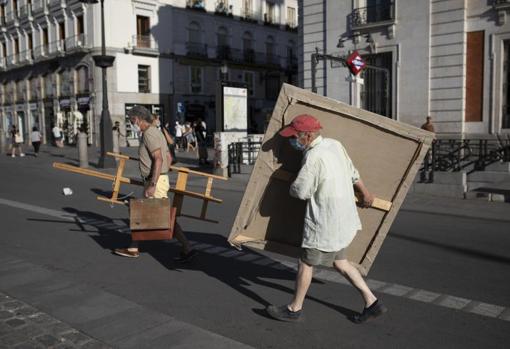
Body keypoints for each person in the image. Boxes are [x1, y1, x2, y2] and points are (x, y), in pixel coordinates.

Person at [265, 114, 387, 324]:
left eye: (295, 137)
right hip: (342, 219)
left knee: (305, 262)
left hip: (324, 222)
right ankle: (372, 302)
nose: (292, 141)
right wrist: (365, 192)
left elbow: (301, 192)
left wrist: (293, 182)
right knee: (341, 263)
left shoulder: (313, 158)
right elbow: (352, 172)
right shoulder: (334, 145)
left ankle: (294, 309)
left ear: (308, 136)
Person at [113, 106, 196, 262]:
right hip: (158, 179)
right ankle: (187, 248)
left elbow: (158, 158)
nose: (132, 124)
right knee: (159, 216)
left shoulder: (149, 134)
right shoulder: (156, 132)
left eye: (132, 121)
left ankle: (134, 247)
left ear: (138, 119)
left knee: (146, 215)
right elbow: (168, 158)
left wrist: (153, 183)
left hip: (155, 181)